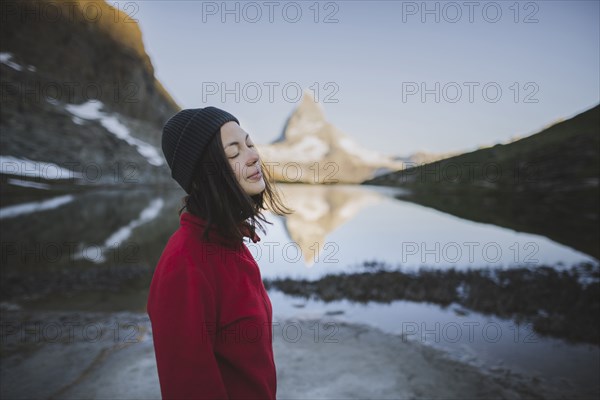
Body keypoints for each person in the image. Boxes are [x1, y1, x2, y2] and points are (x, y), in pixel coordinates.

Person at [147, 106, 292, 399]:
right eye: (233, 152)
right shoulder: (185, 264)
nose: (253, 156)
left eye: (249, 144)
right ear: (205, 173)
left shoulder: (232, 243)